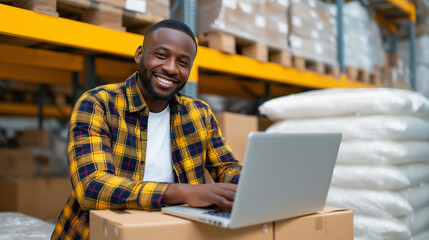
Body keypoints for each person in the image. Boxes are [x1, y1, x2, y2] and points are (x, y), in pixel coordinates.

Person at [51, 19, 242, 239]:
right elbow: (92, 186)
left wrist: (247, 182)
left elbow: (226, 166)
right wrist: (183, 192)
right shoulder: (98, 104)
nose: (171, 68)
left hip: (167, 232)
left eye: (183, 62)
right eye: (161, 55)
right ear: (140, 54)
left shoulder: (199, 113)